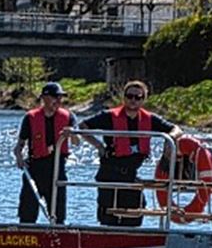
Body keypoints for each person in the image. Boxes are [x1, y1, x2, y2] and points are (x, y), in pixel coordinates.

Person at [79, 80, 182, 227]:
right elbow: (83, 126)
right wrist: (98, 146)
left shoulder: (150, 119)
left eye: (138, 97)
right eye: (130, 96)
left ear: (143, 99)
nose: (133, 100)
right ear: (124, 97)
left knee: (135, 213)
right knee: (108, 216)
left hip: (131, 175)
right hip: (110, 174)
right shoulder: (108, 116)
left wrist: (169, 138)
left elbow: (176, 129)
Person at [14, 82, 76, 224]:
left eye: (60, 97)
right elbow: (19, 146)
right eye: (55, 97)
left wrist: (72, 134)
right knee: (27, 214)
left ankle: (57, 234)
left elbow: (76, 142)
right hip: (35, 169)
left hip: (57, 170)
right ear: (44, 98)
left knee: (58, 216)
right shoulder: (30, 118)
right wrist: (19, 157)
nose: (58, 101)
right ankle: (26, 234)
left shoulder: (68, 117)